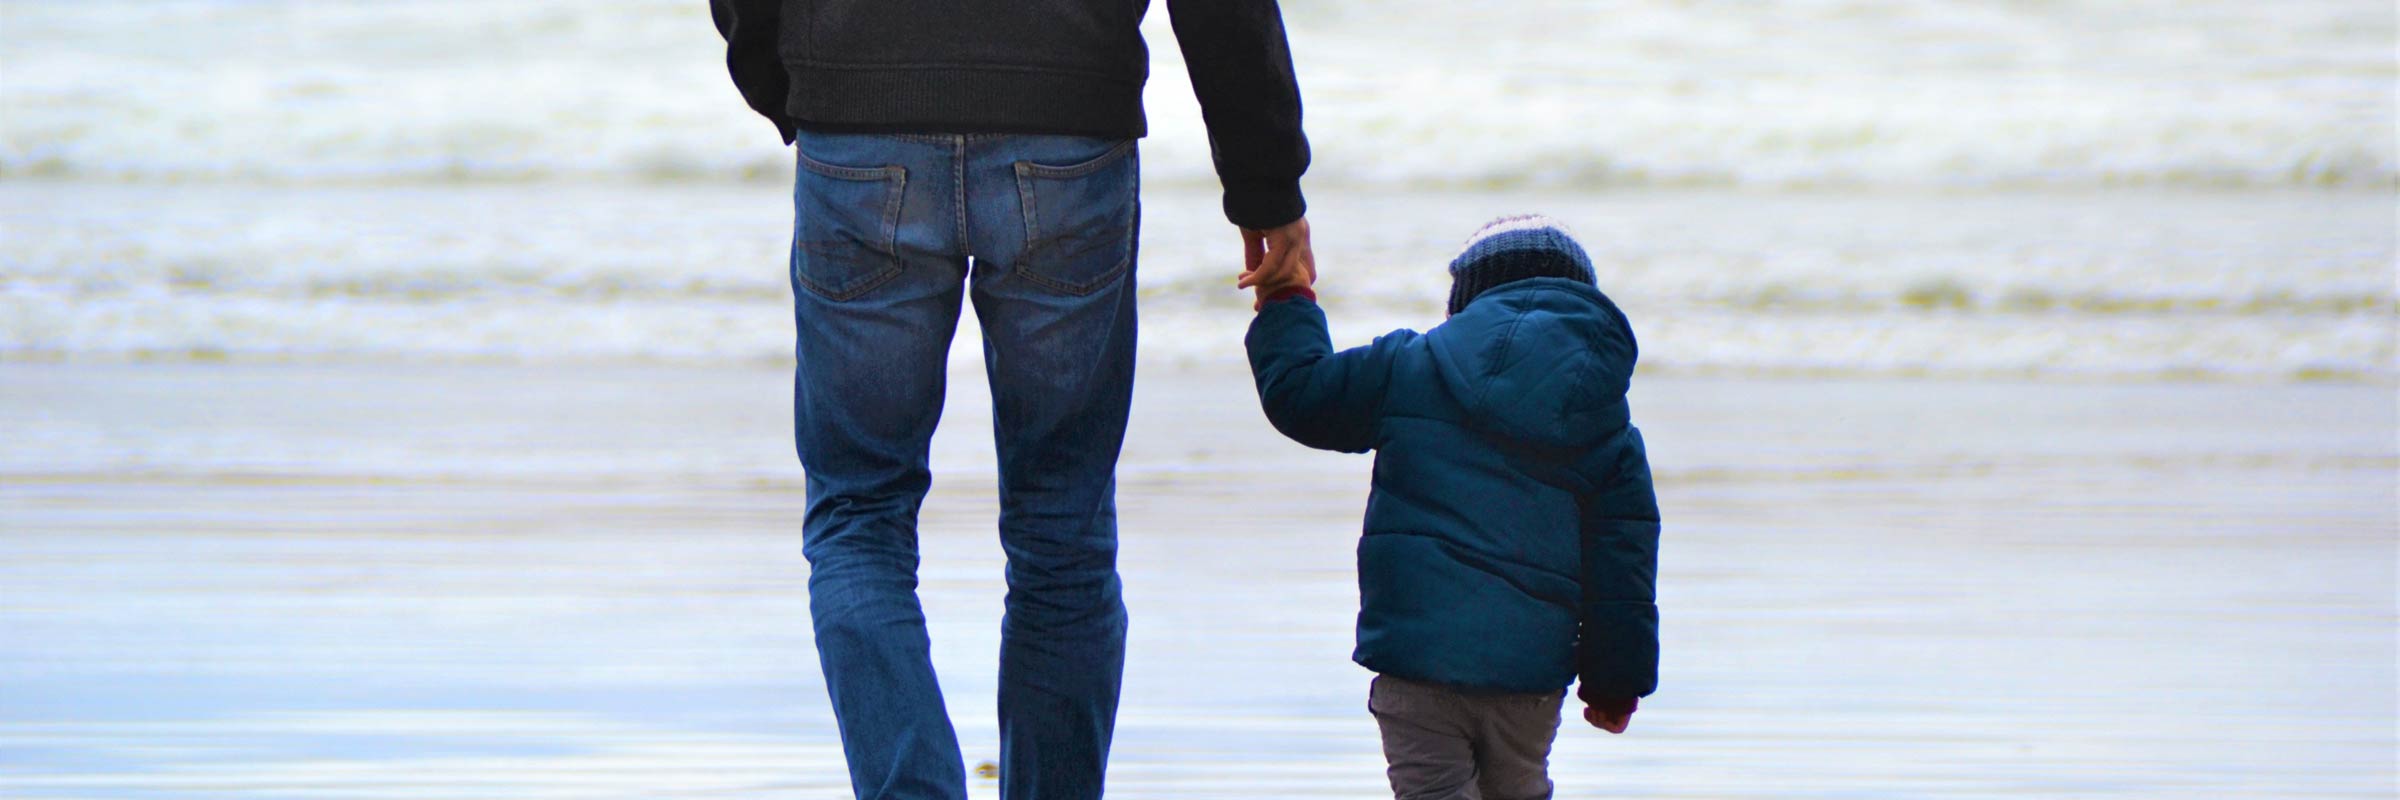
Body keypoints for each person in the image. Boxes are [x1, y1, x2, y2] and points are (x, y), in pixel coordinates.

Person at [707, 0, 1312, 797]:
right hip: (1066, 126)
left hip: (859, 121)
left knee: (860, 517)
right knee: (1062, 526)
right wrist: (1266, 189)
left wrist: (797, 80)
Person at [1242, 216, 1661, 799]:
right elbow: (1624, 559)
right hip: (1529, 676)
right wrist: (1617, 679)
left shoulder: (1409, 366)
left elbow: (1300, 394)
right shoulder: (1605, 420)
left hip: (1419, 660)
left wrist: (1288, 298)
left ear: (1464, 300)